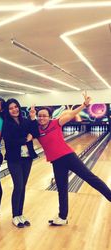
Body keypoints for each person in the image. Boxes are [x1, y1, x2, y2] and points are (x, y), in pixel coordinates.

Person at [36, 92, 111, 226]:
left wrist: (84, 105)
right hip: (56, 161)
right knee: (62, 188)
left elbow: (70, 115)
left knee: (90, 178)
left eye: (44, 116)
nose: (42, 118)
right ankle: (62, 217)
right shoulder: (36, 129)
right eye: (39, 116)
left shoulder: (55, 123)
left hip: (68, 157)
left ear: (49, 117)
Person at [2, 99, 39, 228]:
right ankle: (14, 216)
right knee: (18, 186)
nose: (14, 109)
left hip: (27, 157)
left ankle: (20, 214)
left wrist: (33, 117)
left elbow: (35, 131)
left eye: (16, 107)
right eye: (11, 108)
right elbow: (10, 141)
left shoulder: (25, 120)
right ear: (7, 110)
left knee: (23, 186)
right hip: (14, 159)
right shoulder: (6, 123)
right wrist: (25, 138)